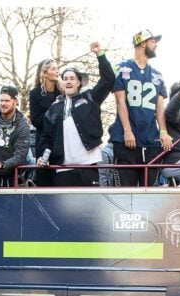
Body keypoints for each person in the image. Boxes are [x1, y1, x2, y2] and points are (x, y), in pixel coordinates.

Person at [38, 42, 115, 187]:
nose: (68, 81)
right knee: (64, 209)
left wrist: (100, 55)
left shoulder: (89, 98)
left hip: (88, 164)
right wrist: (44, 157)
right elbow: (47, 137)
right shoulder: (54, 108)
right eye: (65, 78)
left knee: (89, 207)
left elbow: (108, 80)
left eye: (72, 78)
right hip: (63, 168)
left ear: (79, 82)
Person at [107, 29, 170, 187]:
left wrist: (163, 131)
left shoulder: (157, 75)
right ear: (142, 43)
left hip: (151, 139)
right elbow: (120, 102)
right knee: (125, 190)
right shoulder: (122, 68)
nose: (155, 45)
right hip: (126, 138)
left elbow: (160, 106)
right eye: (153, 41)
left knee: (150, 191)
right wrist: (127, 130)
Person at [28, 57, 61, 187]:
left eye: (58, 68)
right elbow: (36, 121)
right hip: (44, 141)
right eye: (53, 69)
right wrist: (52, 108)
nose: (57, 71)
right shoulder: (35, 93)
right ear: (45, 72)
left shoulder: (62, 91)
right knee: (45, 179)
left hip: (61, 141)